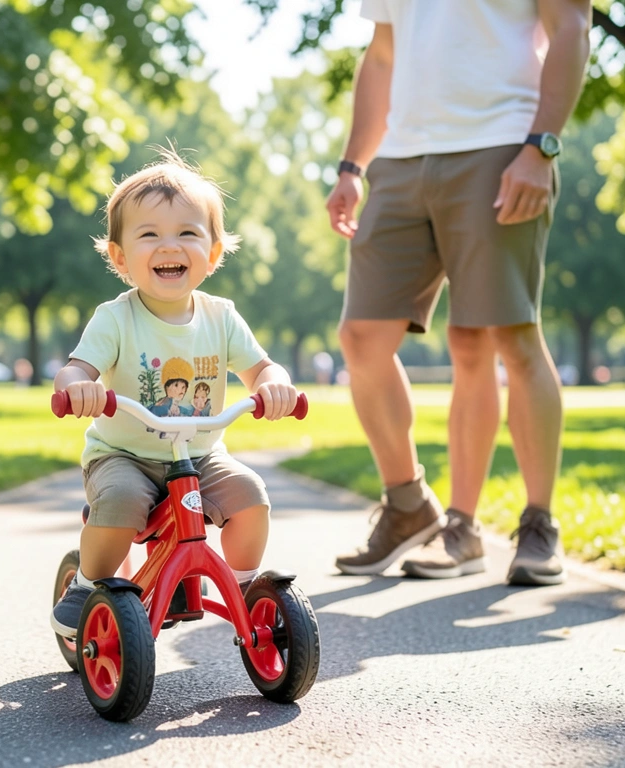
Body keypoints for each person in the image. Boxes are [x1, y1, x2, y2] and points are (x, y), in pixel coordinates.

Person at [325, 0, 592, 585]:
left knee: (497, 336)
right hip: (398, 157)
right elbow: (382, 55)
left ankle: (528, 524)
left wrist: (540, 146)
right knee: (362, 336)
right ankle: (407, 505)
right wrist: (353, 165)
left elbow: (571, 25)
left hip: (501, 144)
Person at [49, 150, 300, 637]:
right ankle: (86, 582)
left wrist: (274, 386)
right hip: (124, 455)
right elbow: (77, 368)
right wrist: (77, 387)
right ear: (120, 258)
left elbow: (261, 367)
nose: (170, 245)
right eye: (149, 234)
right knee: (120, 501)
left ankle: (246, 585)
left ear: (213, 252)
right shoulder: (116, 318)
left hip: (201, 457)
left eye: (188, 232)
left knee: (250, 494)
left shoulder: (221, 316)